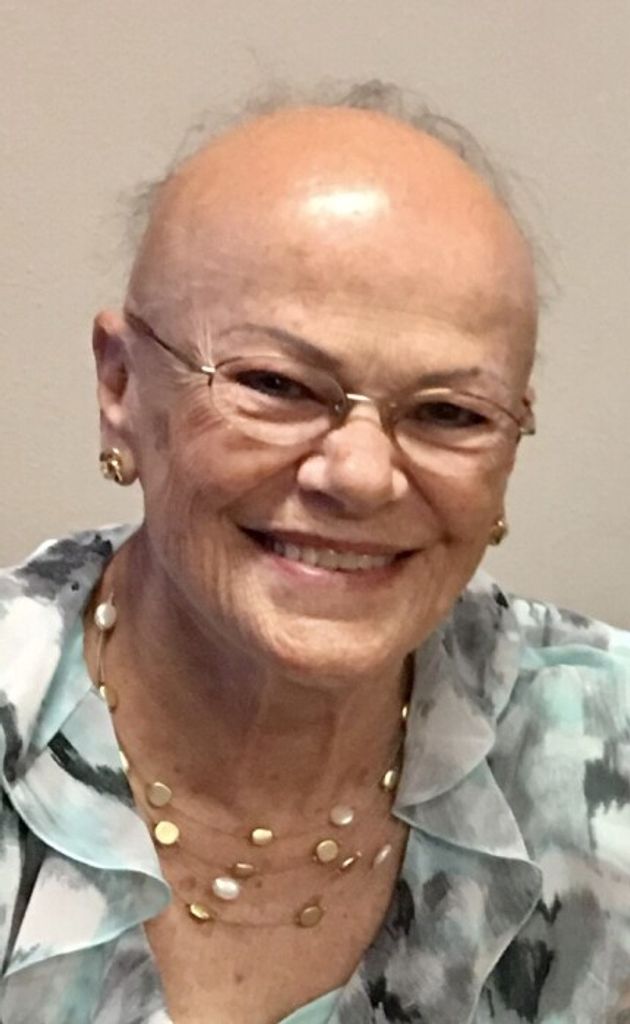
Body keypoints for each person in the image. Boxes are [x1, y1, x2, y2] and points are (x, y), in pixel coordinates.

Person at [1, 83, 629, 1024]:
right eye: (278, 384)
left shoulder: (604, 752)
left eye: (450, 412)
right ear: (122, 385)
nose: (362, 476)